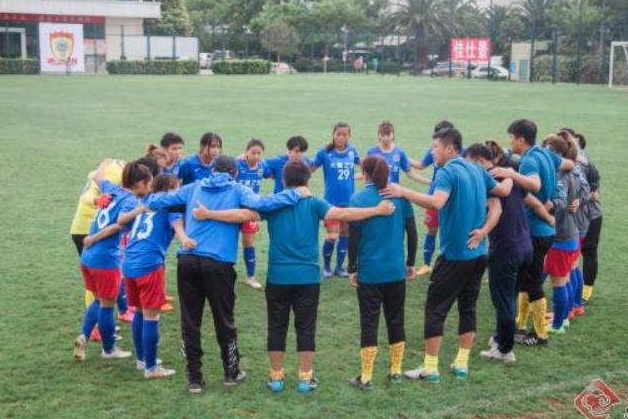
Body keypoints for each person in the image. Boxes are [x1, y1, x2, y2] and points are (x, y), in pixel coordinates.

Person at [199, 161, 396, 394]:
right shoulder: (313, 203)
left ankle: (276, 377)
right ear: (307, 181)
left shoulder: (274, 204)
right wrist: (376, 210)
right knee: (306, 329)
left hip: (278, 277)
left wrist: (208, 213)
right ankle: (305, 378)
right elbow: (343, 213)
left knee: (276, 327)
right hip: (308, 278)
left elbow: (242, 214)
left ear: (283, 181)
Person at [143, 156, 302, 394]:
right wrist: (295, 194)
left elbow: (157, 200)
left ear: (212, 171)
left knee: (190, 321)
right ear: (234, 174)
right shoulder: (238, 189)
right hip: (218, 263)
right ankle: (231, 372)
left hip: (187, 259)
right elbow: (263, 205)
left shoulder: (194, 186)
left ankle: (194, 379)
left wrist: (152, 197)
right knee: (224, 318)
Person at [382, 128, 510, 383]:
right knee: (468, 307)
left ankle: (430, 367)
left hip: (455, 256)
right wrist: (512, 175)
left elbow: (436, 202)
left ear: (451, 149)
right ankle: (461, 364)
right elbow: (502, 194)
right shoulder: (477, 170)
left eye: (436, 147)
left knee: (435, 309)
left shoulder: (447, 172)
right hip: (478, 254)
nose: (432, 151)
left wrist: (402, 191)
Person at [490, 119, 574, 347]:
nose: (510, 142)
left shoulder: (529, 160)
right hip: (545, 229)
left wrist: (511, 173)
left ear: (520, 138)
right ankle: (519, 325)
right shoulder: (546, 154)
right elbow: (569, 164)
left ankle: (540, 334)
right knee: (526, 281)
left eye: (511, 137)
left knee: (533, 283)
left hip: (534, 230)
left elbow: (534, 184)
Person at [347, 156, 418, 390]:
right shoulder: (401, 198)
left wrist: (352, 268)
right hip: (396, 271)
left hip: (370, 273)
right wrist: (409, 262)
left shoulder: (358, 199)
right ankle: (396, 371)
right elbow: (412, 233)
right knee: (396, 319)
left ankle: (366, 377)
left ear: (365, 174)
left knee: (369, 321)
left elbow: (354, 238)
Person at [73, 161, 152, 362]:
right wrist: (95, 238)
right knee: (107, 305)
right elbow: (118, 225)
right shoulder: (131, 202)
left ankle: (84, 335)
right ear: (141, 183)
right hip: (104, 259)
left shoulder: (112, 189)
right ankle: (109, 349)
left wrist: (102, 163)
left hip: (87, 257)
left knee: (99, 299)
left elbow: (98, 177)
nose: (150, 188)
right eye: (149, 183)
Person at [463, 144, 531, 364]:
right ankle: (501, 337)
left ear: (481, 161)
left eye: (470, 163)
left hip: (506, 250)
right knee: (509, 297)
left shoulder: (490, 181)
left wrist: (482, 232)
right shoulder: (509, 176)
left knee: (503, 301)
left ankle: (504, 350)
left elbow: (496, 209)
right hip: (525, 247)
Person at [122, 174, 190, 379]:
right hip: (149, 265)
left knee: (140, 313)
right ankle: (151, 368)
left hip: (128, 264)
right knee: (152, 316)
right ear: (170, 189)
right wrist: (186, 239)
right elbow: (178, 227)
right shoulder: (170, 207)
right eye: (176, 188)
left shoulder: (145, 205)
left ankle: (142, 359)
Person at [70, 158, 124, 341]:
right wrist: (97, 199)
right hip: (86, 232)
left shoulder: (107, 177)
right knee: (98, 288)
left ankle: (95, 326)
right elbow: (85, 197)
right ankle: (96, 328)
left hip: (89, 231)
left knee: (98, 287)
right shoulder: (104, 184)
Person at [541, 134, 588, 335]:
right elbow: (585, 191)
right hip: (572, 233)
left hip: (561, 236)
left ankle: (559, 324)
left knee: (559, 281)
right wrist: (579, 201)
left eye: (545, 149)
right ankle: (566, 314)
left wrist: (546, 210)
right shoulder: (575, 171)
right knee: (566, 277)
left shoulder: (560, 176)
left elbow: (559, 205)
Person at [312, 123, 361, 278]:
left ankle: (339, 267)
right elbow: (311, 168)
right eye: (338, 134)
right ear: (333, 134)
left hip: (349, 202)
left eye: (344, 134)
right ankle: (326, 266)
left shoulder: (353, 151)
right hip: (330, 203)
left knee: (345, 233)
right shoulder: (325, 152)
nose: (341, 137)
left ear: (349, 136)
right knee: (332, 236)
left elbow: (365, 165)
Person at [409, 120, 455, 276]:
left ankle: (449, 264)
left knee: (450, 230)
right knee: (432, 229)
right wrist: (400, 155)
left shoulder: (460, 152)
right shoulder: (433, 151)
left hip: (452, 197)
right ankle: (426, 264)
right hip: (434, 196)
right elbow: (421, 165)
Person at [235, 138, 272, 289]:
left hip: (251, 212)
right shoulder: (237, 165)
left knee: (249, 242)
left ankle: (251, 277)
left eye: (259, 153)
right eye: (253, 152)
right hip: (234, 209)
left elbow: (272, 173)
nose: (256, 156)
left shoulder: (262, 166)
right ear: (246, 152)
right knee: (229, 241)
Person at [576, 132, 603, 305]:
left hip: (591, 216)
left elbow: (595, 194)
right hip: (574, 217)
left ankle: (586, 292)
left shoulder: (585, 164)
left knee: (589, 251)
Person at [366, 120, 430, 185]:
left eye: (388, 134)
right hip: (375, 192)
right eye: (383, 134)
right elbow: (365, 174)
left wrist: (429, 182)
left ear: (393, 135)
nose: (385, 137)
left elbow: (409, 173)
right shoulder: (371, 152)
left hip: (393, 193)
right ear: (379, 135)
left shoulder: (399, 152)